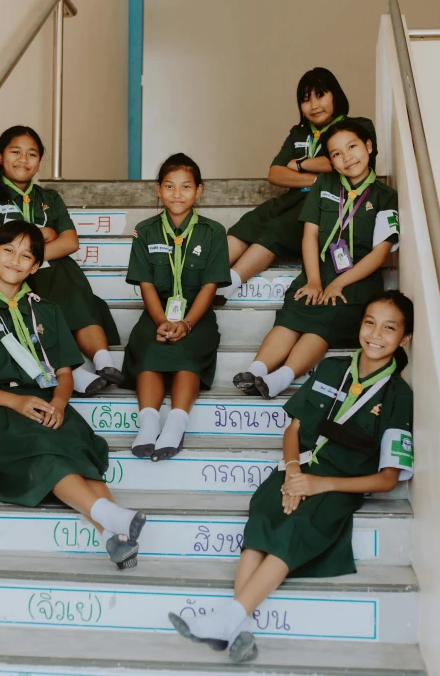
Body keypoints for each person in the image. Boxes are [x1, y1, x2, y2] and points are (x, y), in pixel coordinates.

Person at [169, 290, 414, 662]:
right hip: (300, 468)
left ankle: (228, 619)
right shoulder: (333, 368)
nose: (376, 334)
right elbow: (293, 430)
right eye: (369, 323)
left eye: (389, 328)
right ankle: (239, 629)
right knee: (265, 510)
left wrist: (320, 484)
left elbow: (387, 480)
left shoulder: (399, 395)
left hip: (340, 484)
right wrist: (294, 472)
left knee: (296, 527)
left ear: (404, 338)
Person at [0, 221, 146, 570]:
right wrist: (15, 402)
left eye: (26, 256)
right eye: (8, 250)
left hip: (46, 401)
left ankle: (111, 534)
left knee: (77, 449)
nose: (15, 260)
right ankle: (114, 518)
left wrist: (60, 402)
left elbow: (64, 374)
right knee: (46, 455)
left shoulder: (47, 310)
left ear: (36, 266)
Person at [233, 119, 398, 399]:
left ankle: (280, 379)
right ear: (330, 162)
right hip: (318, 270)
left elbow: (380, 254)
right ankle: (256, 370)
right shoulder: (325, 184)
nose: (346, 157)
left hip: (357, 280)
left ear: (368, 146)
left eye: (352, 147)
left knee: (326, 318)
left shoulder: (386, 197)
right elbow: (309, 235)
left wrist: (337, 285)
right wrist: (313, 280)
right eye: (336, 154)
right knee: (293, 313)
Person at [0, 126, 121, 396]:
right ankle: (75, 374)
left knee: (71, 283)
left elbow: (70, 242)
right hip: (10, 273)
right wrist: (43, 234)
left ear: (39, 161)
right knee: (37, 302)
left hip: (52, 271)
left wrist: (27, 248)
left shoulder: (49, 197)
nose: (23, 159)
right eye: (15, 152)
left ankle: (104, 362)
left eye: (32, 154)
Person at [215, 67, 377, 305]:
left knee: (278, 228)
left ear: (336, 96)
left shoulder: (357, 125)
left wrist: (301, 164)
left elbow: (337, 161)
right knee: (251, 222)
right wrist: (315, 178)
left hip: (328, 204)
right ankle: (200, 278)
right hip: (293, 199)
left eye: (320, 95)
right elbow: (275, 173)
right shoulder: (299, 133)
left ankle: (227, 285)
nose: (313, 105)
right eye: (305, 99)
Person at [123, 153, 231, 461]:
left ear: (199, 190)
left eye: (185, 187)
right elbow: (145, 283)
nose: (177, 194)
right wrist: (160, 320)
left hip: (197, 315)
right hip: (155, 313)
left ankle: (176, 422)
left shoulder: (213, 233)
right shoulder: (145, 231)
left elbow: (209, 286)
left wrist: (187, 324)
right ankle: (147, 423)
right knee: (148, 351)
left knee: (186, 353)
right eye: (169, 186)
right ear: (158, 190)